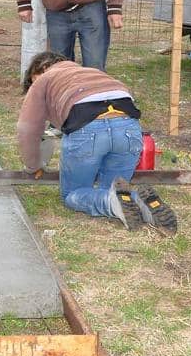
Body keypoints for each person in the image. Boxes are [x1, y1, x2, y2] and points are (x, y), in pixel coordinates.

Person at [17, 51, 177, 233]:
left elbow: (28, 129)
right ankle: (144, 204)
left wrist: (32, 165)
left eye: (34, 80)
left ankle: (111, 204)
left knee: (73, 194)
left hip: (87, 127)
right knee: (113, 188)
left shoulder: (46, 79)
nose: (33, 85)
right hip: (129, 128)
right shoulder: (94, 73)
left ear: (44, 68)